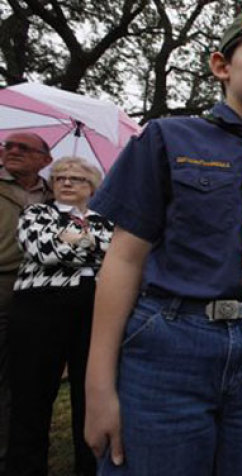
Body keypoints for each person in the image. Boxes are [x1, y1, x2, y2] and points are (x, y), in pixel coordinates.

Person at [83, 7, 242, 475]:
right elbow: (125, 259)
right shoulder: (167, 138)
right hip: (171, 345)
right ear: (221, 65)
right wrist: (98, 383)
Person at [7, 157, 112, 476]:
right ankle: (25, 468)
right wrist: (91, 246)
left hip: (91, 309)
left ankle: (89, 466)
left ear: (92, 187)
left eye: (77, 179)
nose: (67, 182)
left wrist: (76, 241)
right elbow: (44, 251)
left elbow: (113, 254)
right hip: (38, 308)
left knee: (88, 390)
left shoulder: (106, 221)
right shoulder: (35, 213)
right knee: (31, 394)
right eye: (61, 177)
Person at [0, 133, 53, 474]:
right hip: (2, 285)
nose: (13, 151)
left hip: (38, 293)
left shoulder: (56, 195)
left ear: (44, 160)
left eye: (24, 148)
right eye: (9, 146)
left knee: (23, 377)